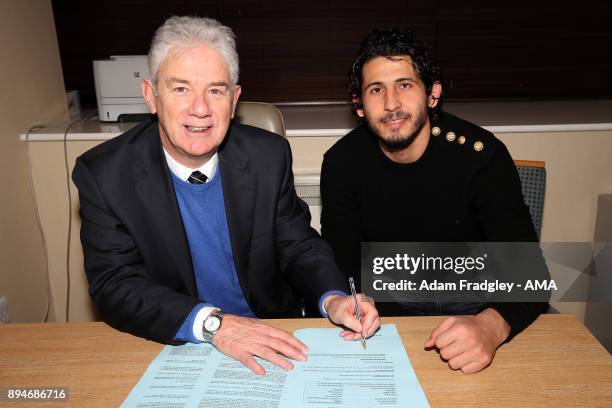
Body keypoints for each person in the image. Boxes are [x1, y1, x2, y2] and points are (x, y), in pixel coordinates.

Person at [72, 16, 379, 376]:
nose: (200, 109)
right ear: (151, 96)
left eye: (215, 90)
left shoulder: (268, 157)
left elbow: (298, 246)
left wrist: (334, 299)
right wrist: (215, 325)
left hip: (271, 334)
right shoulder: (105, 175)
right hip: (177, 339)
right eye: (181, 89)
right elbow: (115, 285)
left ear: (233, 101)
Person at [320, 28, 548, 374]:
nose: (392, 103)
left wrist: (491, 326)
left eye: (405, 85)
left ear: (433, 94)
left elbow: (531, 278)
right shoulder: (341, 164)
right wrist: (353, 303)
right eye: (376, 89)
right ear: (359, 105)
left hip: (476, 313)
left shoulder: (481, 157)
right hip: (384, 324)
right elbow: (344, 267)